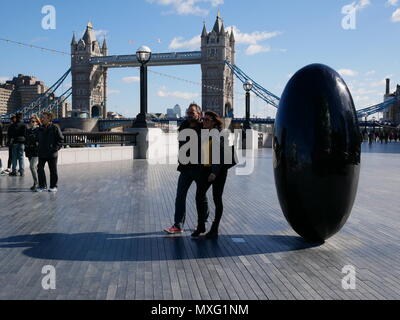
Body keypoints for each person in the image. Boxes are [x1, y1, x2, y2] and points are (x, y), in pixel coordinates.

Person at [164, 103, 210, 234]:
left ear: (199, 114)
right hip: (185, 167)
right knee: (180, 196)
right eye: (188, 113)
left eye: (192, 113)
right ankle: (178, 225)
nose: (189, 115)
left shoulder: (204, 127)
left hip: (199, 168)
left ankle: (203, 222)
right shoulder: (183, 126)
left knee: (201, 196)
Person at [193, 111, 236, 239]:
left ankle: (214, 228)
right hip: (206, 170)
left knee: (217, 198)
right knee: (199, 196)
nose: (203, 121)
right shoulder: (205, 133)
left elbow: (221, 154)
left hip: (219, 171)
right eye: (203, 119)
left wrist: (214, 172)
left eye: (206, 120)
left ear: (213, 121)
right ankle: (201, 226)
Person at [36, 112, 64, 192]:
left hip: (52, 153)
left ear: (49, 119)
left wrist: (55, 148)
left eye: (43, 118)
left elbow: (61, 139)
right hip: (41, 152)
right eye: (41, 117)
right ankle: (42, 186)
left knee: (53, 170)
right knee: (40, 169)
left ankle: (53, 186)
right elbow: (37, 138)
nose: (41, 119)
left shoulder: (55, 127)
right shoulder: (40, 128)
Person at [25, 115, 41, 191]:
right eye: (30, 121)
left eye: (33, 121)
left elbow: (42, 126)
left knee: (31, 166)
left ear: (36, 123)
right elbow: (26, 139)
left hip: (36, 151)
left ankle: (36, 183)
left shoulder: (38, 129)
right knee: (35, 168)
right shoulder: (28, 130)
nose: (31, 122)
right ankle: (40, 182)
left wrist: (37, 118)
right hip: (29, 151)